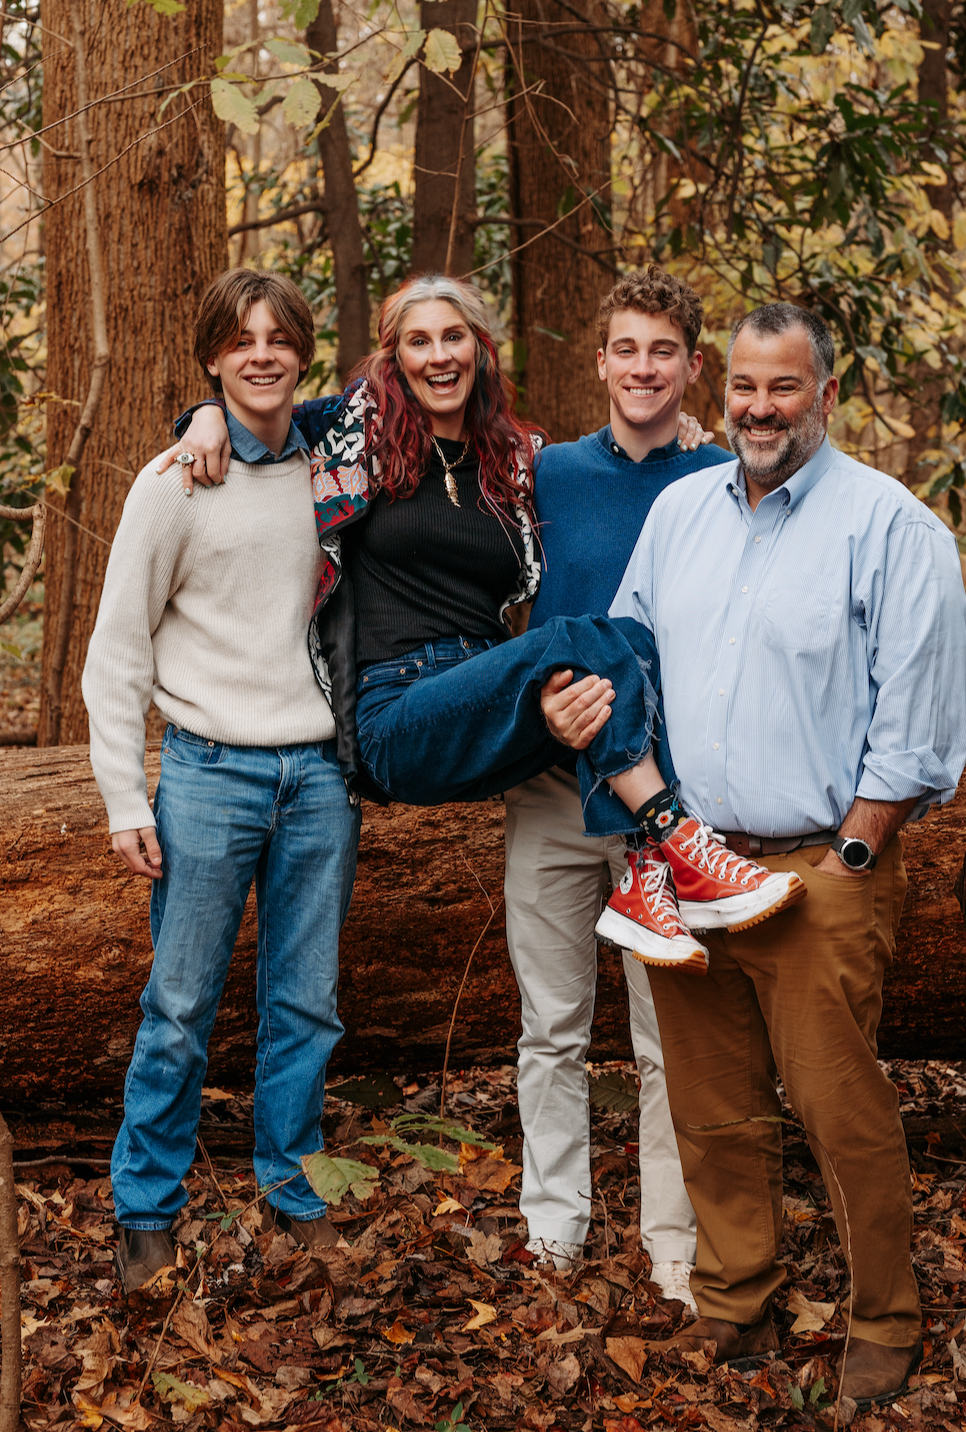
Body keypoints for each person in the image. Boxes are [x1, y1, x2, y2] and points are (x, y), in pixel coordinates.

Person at [549, 302, 966, 1410]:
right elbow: (629, 663)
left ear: (825, 394)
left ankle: (884, 1317)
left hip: (820, 869)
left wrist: (852, 861)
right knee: (712, 1107)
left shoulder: (891, 527)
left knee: (841, 1111)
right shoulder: (681, 512)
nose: (761, 407)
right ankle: (737, 1299)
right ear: (720, 388)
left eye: (784, 387)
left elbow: (917, 730)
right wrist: (592, 730)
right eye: (744, 386)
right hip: (688, 864)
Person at [171, 275, 805, 963]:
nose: (439, 355)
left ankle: (647, 875)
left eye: (454, 337)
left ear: (479, 348)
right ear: (395, 355)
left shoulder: (517, 458)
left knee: (624, 636)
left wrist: (682, 434)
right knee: (579, 636)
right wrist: (205, 414)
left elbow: (623, 467)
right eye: (419, 341)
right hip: (396, 712)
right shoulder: (357, 429)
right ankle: (673, 839)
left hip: (494, 705)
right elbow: (264, 409)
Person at [82, 270, 361, 1294]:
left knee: (307, 1002)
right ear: (212, 358)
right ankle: (146, 1210)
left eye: (278, 338)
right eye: (240, 341)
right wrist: (124, 795)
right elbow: (117, 648)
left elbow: (427, 404)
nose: (261, 355)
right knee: (180, 1001)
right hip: (207, 771)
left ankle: (293, 1188)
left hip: (319, 775)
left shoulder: (334, 471)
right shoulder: (174, 483)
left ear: (302, 352)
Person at [503, 268, 736, 1301]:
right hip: (552, 793)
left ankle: (673, 1245)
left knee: (666, 1036)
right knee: (551, 1026)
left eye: (663, 352)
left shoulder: (725, 478)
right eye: (627, 350)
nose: (643, 369)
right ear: (599, 362)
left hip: (664, 809)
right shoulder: (546, 475)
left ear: (694, 366)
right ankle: (553, 1228)